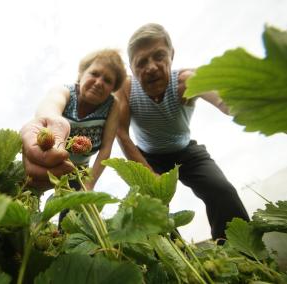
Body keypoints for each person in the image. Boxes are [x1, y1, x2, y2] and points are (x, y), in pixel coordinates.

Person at [115, 23, 249, 241]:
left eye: (159, 56)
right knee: (148, 211)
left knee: (222, 191)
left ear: (171, 55)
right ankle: (178, 260)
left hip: (186, 152)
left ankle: (242, 254)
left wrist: (253, 101)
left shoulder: (186, 80)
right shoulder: (127, 89)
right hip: (148, 157)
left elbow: (224, 102)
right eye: (141, 62)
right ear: (131, 68)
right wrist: (148, 172)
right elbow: (121, 132)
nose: (151, 67)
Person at [20, 49, 126, 191]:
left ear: (113, 88)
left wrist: (89, 185)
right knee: (26, 195)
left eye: (107, 80)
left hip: (79, 172)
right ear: (81, 73)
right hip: (46, 161)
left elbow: (106, 149)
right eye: (94, 74)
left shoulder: (112, 105)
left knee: (75, 210)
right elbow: (50, 106)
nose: (99, 82)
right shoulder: (65, 91)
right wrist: (50, 122)